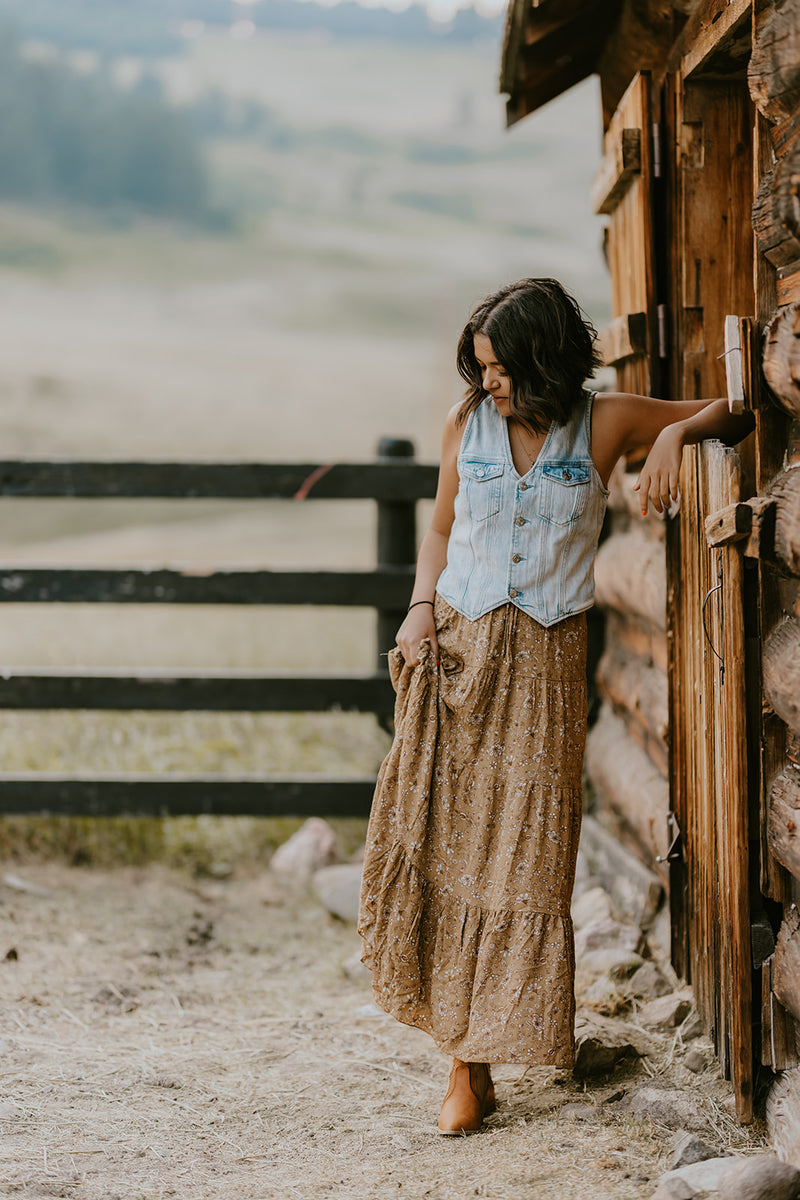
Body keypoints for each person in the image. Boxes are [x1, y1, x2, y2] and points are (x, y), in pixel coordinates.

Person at [356, 278, 754, 1135]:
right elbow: (438, 530)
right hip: (460, 648)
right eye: (481, 367)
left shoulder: (602, 422)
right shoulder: (468, 426)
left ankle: (503, 1033)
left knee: (526, 859)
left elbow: (738, 409)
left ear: (541, 362)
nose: (488, 382)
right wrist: (421, 608)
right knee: (453, 842)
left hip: (545, 669)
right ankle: (465, 1062)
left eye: (500, 367)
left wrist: (680, 432)